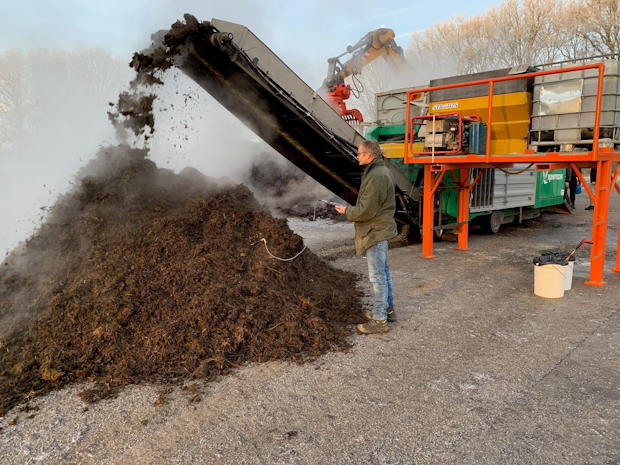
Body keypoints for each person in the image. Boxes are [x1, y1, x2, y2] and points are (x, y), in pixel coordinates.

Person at [335, 140, 397, 334]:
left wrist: (347, 211)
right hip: (379, 229)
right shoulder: (378, 171)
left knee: (377, 276)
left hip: (375, 231)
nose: (357, 156)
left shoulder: (377, 176)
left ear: (370, 155)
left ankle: (380, 321)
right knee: (384, 273)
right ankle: (388, 311)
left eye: (360, 153)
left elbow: (365, 211)